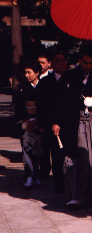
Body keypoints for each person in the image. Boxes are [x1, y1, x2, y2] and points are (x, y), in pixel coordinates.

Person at [52, 45, 92, 207]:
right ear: (79, 60)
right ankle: (77, 194)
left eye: (91, 63)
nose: (88, 66)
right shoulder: (69, 77)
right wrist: (56, 121)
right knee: (78, 157)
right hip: (74, 122)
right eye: (85, 62)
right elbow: (59, 102)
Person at [37, 51, 68, 191]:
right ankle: (59, 185)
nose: (62, 63)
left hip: (69, 123)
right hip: (52, 125)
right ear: (52, 63)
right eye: (58, 60)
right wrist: (45, 124)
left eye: (64, 60)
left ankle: (71, 183)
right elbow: (42, 105)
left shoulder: (72, 79)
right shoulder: (45, 82)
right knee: (56, 156)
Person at [15, 60, 42, 188]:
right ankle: (28, 175)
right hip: (27, 120)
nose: (26, 75)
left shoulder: (43, 85)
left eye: (29, 72)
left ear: (37, 72)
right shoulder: (21, 87)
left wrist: (40, 120)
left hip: (39, 120)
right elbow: (19, 107)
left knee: (37, 150)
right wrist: (26, 120)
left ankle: (36, 175)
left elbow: (45, 105)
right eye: (25, 72)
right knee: (27, 149)